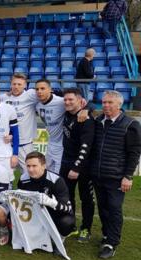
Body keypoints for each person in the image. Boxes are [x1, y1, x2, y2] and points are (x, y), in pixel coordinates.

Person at [89, 90, 141, 259]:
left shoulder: (130, 124)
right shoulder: (98, 121)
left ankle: (112, 243)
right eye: (104, 102)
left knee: (114, 209)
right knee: (103, 208)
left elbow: (134, 152)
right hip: (98, 175)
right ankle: (106, 235)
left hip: (117, 177)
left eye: (110, 102)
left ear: (119, 105)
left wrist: (128, 176)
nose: (106, 105)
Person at [17, 152, 76, 245]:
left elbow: (67, 208)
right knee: (10, 214)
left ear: (44, 166)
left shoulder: (56, 180)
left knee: (67, 222)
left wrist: (50, 202)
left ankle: (59, 239)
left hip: (53, 215)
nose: (30, 169)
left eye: (34, 166)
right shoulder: (23, 179)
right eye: (28, 166)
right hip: (34, 214)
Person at [60, 88, 95, 243]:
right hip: (65, 162)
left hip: (83, 166)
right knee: (67, 196)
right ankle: (71, 225)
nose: (67, 102)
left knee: (86, 197)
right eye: (65, 100)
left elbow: (86, 147)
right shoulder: (67, 114)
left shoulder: (86, 119)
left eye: (71, 100)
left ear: (80, 101)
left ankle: (86, 228)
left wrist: (77, 167)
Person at [0, 73, 38, 174]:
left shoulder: (30, 95)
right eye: (14, 84)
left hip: (24, 145)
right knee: (5, 174)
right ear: (10, 84)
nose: (16, 86)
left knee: (30, 174)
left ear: (25, 85)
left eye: (19, 84)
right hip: (6, 144)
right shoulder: (4, 98)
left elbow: (47, 94)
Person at [34, 79, 66, 174]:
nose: (39, 91)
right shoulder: (37, 104)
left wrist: (86, 108)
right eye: (37, 89)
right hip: (50, 143)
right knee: (46, 174)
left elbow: (84, 103)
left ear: (50, 89)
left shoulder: (61, 102)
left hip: (62, 146)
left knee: (58, 177)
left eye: (42, 88)